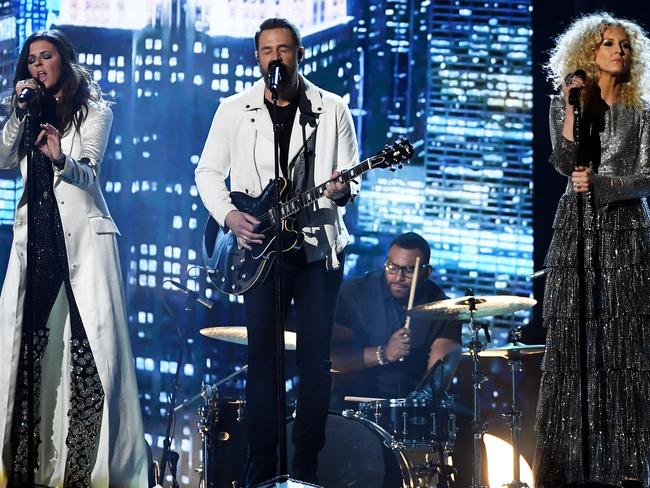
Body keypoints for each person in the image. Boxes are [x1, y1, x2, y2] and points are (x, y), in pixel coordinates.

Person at [195, 18, 359, 486]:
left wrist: (343, 189)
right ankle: (263, 470)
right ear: (256, 58)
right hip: (260, 250)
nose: (275, 58)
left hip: (316, 251)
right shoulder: (234, 109)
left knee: (314, 362)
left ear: (299, 54)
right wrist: (229, 215)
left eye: (284, 49)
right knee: (263, 360)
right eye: (267, 50)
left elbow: (350, 177)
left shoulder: (331, 108)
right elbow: (207, 172)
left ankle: (305, 468)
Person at [0, 30, 148, 487]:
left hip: (83, 245)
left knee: (89, 360)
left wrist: (60, 156)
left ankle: (84, 474)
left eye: (46, 57)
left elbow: (90, 173)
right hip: (37, 246)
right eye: (31, 62)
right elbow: (3, 157)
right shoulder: (27, 111)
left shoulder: (94, 111)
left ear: (65, 60)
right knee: (28, 357)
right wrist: (18, 113)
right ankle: (28, 468)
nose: (38, 66)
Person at [534, 13, 650, 487]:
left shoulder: (642, 109)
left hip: (626, 234)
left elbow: (646, 177)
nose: (618, 51)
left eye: (624, 45)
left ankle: (625, 466)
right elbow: (563, 162)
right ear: (589, 53)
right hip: (576, 233)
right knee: (572, 345)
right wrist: (569, 105)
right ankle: (566, 468)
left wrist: (599, 183)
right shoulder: (571, 103)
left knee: (624, 348)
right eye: (608, 44)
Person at [330, 232, 461, 406]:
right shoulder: (357, 293)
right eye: (392, 267)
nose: (398, 277)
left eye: (409, 270)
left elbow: (439, 372)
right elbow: (333, 359)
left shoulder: (442, 307)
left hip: (411, 409)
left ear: (426, 272)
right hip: (354, 407)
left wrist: (420, 400)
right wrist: (383, 353)